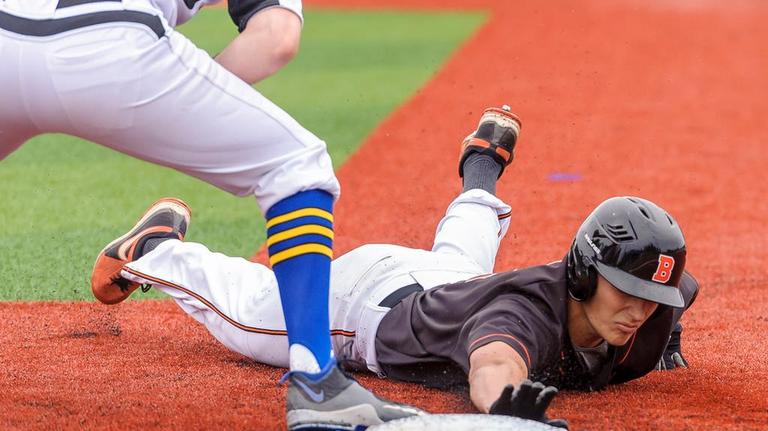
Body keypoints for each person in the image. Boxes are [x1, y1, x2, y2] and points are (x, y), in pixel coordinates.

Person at [90, 106, 698, 428]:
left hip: (447, 287)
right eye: (627, 290)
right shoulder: (525, 316)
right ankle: (153, 250)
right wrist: (505, 403)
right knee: (249, 317)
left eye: (653, 297)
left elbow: (668, 296)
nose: (642, 309)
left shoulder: (649, 313)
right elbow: (494, 362)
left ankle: (482, 165)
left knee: (461, 259)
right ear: (586, 275)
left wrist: (661, 325)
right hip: (362, 305)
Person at [0, 0, 419, 428]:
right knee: (296, 167)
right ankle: (318, 384)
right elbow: (275, 39)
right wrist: (180, 107)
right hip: (110, 42)